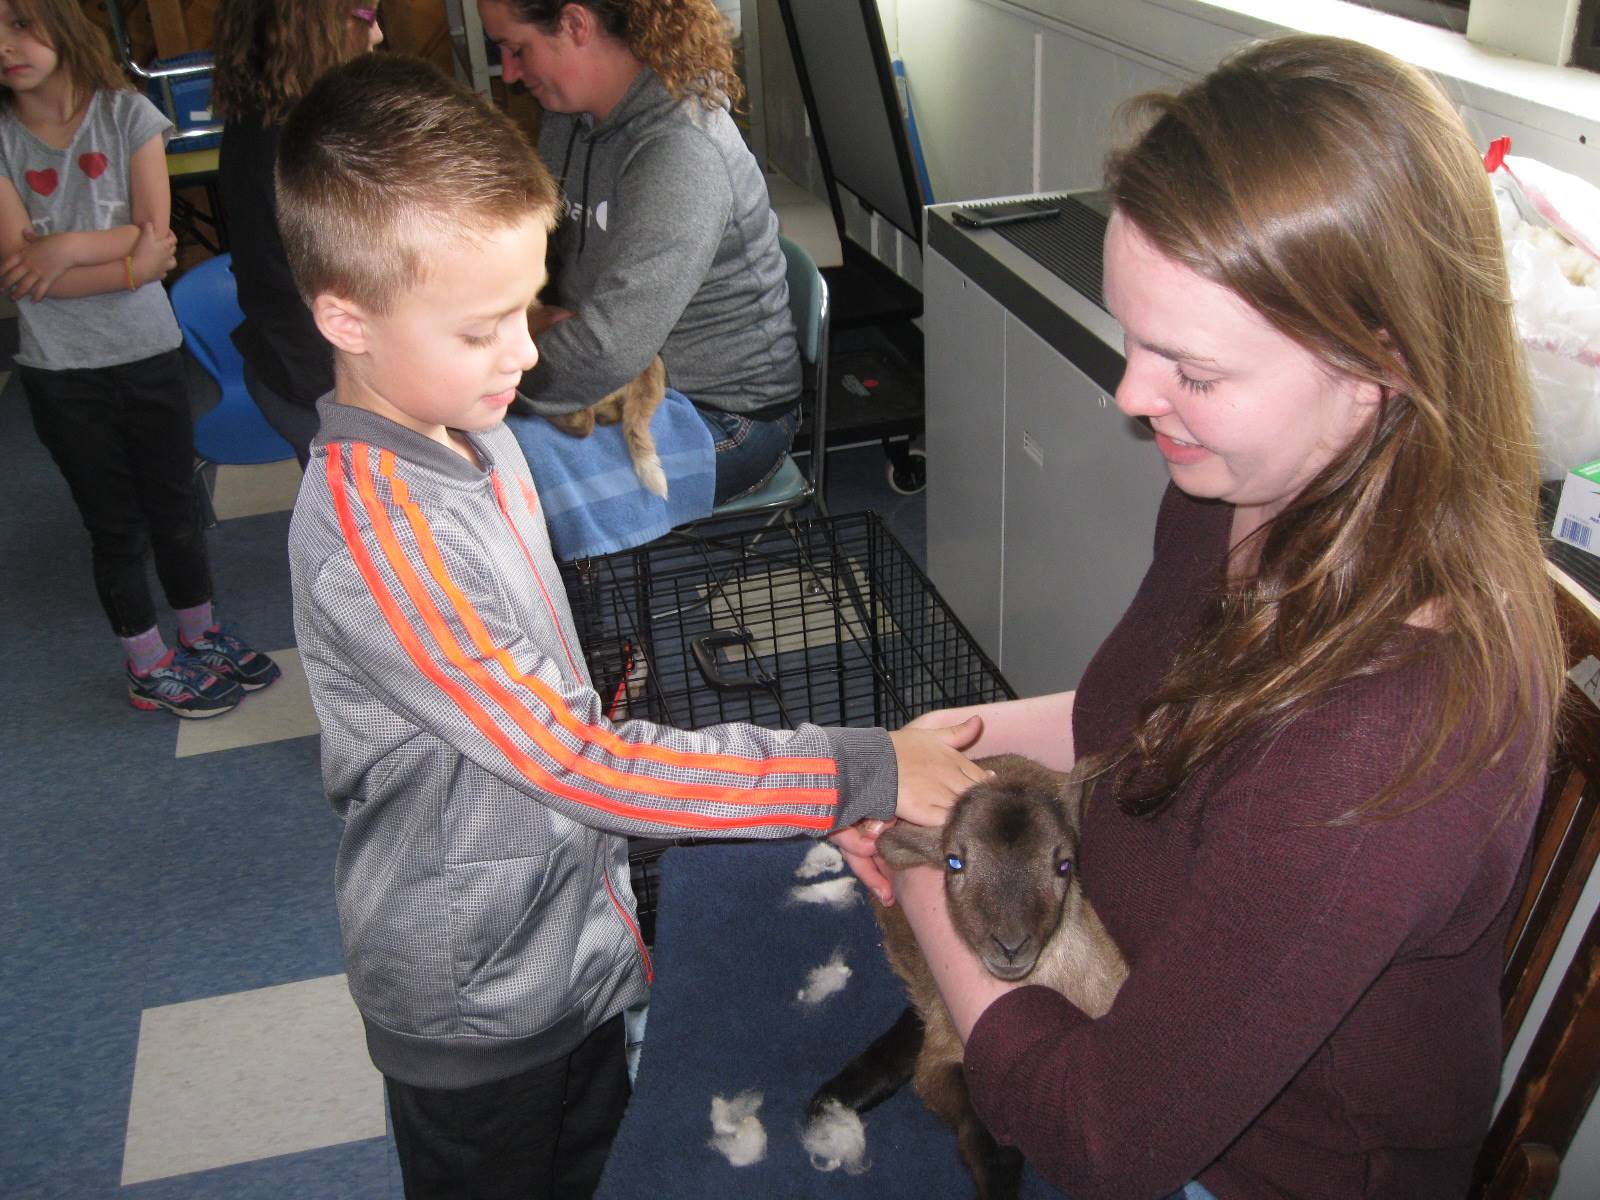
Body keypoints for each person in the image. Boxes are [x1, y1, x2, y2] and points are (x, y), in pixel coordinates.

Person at [840, 34, 1566, 1200]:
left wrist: (936, 868)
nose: (1132, 397)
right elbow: (1128, 716)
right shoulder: (1245, 491)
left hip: (1261, 1167)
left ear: (1374, 360)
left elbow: (1105, 1143)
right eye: (1134, 337)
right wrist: (918, 752)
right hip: (1128, 964)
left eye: (1190, 367)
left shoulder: (1387, 741)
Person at [276, 53, 985, 1199]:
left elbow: (535, 703)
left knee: (601, 1157)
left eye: (525, 307)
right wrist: (854, 771)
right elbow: (571, 764)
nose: (523, 351)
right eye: (481, 328)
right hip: (479, 1000)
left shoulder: (470, 427)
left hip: (568, 943)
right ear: (345, 317)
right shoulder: (382, 540)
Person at [0, 0, 278, 718]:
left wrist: (59, 249)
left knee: (176, 506)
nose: (7, 47)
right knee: (114, 524)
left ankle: (200, 632)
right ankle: (147, 662)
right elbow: (16, 269)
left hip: (148, 351)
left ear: (59, 25)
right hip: (61, 371)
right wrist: (120, 256)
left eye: (20, 24)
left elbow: (159, 244)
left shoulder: (127, 116)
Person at [477, 0, 803, 506]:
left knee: (485, 478)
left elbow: (609, 347)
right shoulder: (570, 118)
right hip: (616, 377)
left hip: (724, 417)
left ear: (575, 24)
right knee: (463, 453)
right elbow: (534, 263)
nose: (512, 73)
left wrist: (478, 384)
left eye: (517, 49)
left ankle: (585, 584)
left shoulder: (680, 152)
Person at [211, 0, 384, 467]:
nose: (377, 36)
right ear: (311, 27)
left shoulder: (260, 123)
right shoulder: (306, 145)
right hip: (327, 383)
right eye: (365, 18)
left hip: (298, 366)